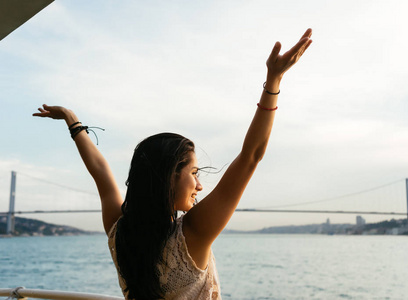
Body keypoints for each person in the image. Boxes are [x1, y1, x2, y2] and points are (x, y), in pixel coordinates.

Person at [33, 28, 313, 300]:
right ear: (169, 176)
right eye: (193, 172)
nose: (200, 185)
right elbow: (251, 156)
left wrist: (73, 121)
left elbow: (100, 171)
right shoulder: (193, 234)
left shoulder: (119, 232)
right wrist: (273, 80)